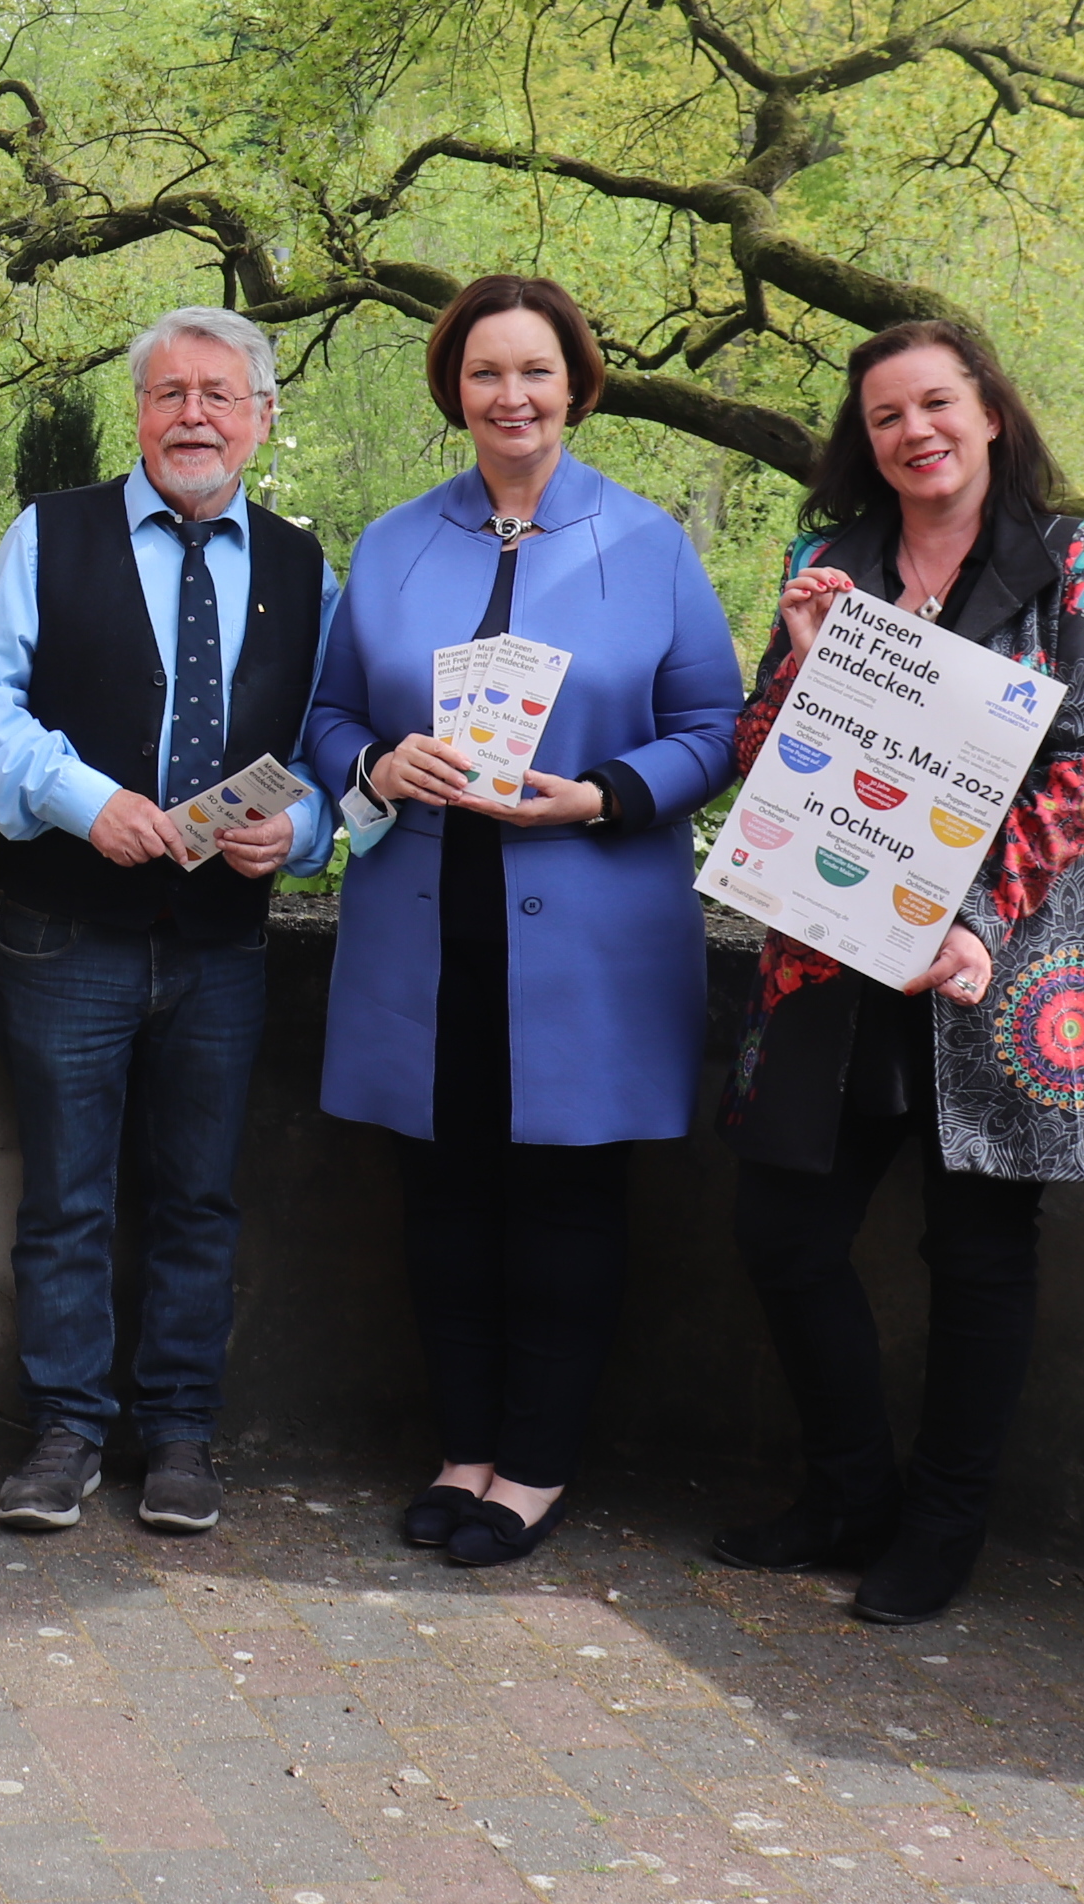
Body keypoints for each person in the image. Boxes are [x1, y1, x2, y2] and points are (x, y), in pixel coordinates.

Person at [713, 320, 1084, 1625]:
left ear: (988, 412)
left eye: (937, 403)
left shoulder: (1065, 559)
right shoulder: (830, 562)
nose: (916, 430)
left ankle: (941, 1527)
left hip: (999, 948)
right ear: (864, 442)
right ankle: (849, 1492)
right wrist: (806, 661)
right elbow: (763, 751)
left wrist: (977, 911)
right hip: (834, 945)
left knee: (978, 1247)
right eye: (887, 416)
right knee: (784, 1229)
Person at [301, 275, 743, 1567]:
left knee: (564, 1207)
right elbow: (328, 717)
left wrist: (606, 792)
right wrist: (377, 767)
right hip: (423, 931)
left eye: (536, 372)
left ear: (577, 385)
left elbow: (717, 732)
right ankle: (463, 1452)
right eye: (487, 374)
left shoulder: (648, 542)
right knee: (440, 1204)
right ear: (455, 392)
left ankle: (536, 1467)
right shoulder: (390, 544)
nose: (513, 397)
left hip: (590, 932)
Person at [0, 309, 342, 1538]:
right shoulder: (47, 533)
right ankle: (67, 1431)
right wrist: (87, 802)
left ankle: (179, 1436)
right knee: (67, 1198)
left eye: (220, 396)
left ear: (262, 418)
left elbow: (333, 744)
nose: (193, 415)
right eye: (169, 393)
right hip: (66, 929)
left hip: (223, 941)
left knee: (197, 1197)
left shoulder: (301, 567)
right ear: (138, 413)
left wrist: (308, 831)